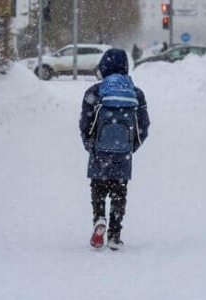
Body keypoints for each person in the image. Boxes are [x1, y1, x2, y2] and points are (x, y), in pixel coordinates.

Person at [79, 49, 150, 250]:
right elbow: (143, 126)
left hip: (99, 151)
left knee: (98, 188)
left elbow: (84, 123)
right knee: (120, 191)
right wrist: (131, 147)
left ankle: (99, 219)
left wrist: (90, 145)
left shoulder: (95, 92)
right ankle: (114, 234)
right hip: (123, 151)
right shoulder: (136, 93)